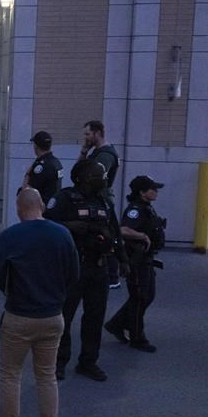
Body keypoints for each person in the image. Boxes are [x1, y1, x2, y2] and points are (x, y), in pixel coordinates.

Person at [0, 189, 79, 417]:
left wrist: (13, 293)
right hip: (52, 317)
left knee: (11, 375)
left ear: (18, 208)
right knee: (47, 376)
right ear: (41, 207)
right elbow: (74, 274)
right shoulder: (62, 234)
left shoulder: (10, 236)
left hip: (18, 316)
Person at [45, 160, 128, 382]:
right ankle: (59, 362)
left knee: (94, 317)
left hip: (98, 268)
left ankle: (88, 362)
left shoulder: (104, 201)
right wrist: (69, 226)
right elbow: (46, 225)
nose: (103, 178)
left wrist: (123, 260)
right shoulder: (63, 198)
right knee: (64, 317)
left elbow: (115, 232)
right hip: (71, 269)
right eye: (98, 174)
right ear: (82, 177)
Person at [105, 176, 167, 352]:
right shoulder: (135, 210)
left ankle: (116, 324)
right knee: (140, 298)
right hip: (137, 260)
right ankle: (137, 337)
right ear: (141, 192)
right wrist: (142, 236)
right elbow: (123, 230)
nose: (156, 192)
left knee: (146, 296)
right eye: (152, 189)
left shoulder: (146, 208)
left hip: (146, 259)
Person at [78, 120, 122, 288]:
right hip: (96, 199)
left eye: (88, 134)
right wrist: (83, 151)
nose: (86, 138)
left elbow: (90, 176)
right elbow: (78, 170)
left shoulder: (105, 155)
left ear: (97, 133)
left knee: (107, 234)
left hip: (101, 200)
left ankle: (112, 275)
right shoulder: (95, 152)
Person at [23, 131, 64, 203]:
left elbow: (27, 192)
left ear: (36, 146)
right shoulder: (56, 162)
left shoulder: (41, 166)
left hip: (41, 209)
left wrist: (27, 174)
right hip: (53, 207)